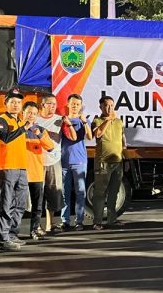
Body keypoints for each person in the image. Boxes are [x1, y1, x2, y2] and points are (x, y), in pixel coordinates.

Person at [0, 88, 29, 251]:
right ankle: (2, 238)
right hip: (7, 167)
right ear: (5, 103)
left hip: (21, 167)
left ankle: (12, 234)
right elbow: (5, 138)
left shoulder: (20, 121)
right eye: (12, 102)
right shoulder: (2, 119)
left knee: (20, 203)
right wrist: (23, 129)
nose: (16, 105)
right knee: (6, 203)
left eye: (19, 102)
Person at [91, 96, 126, 229]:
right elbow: (98, 134)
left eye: (111, 105)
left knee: (114, 192)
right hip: (103, 163)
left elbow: (122, 140)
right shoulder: (97, 120)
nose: (110, 108)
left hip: (118, 161)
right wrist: (108, 120)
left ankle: (112, 219)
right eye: (106, 105)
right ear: (101, 107)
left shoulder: (119, 122)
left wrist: (125, 156)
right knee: (100, 193)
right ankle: (97, 221)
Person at [23, 101, 55, 239]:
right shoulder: (17, 129)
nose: (31, 115)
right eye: (29, 112)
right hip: (21, 173)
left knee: (37, 204)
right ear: (23, 113)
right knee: (18, 206)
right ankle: (11, 233)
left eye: (34, 113)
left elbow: (50, 146)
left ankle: (34, 229)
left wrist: (40, 135)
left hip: (36, 173)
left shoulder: (40, 130)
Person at [61, 94, 93, 231]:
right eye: (73, 103)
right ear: (68, 104)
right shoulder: (62, 120)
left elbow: (90, 137)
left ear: (81, 106)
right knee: (65, 193)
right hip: (64, 161)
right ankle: (65, 221)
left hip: (79, 161)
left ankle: (79, 221)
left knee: (80, 192)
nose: (75, 106)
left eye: (77, 104)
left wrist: (84, 122)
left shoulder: (83, 121)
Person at [35, 94, 64, 233]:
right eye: (50, 103)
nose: (53, 106)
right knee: (37, 194)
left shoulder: (60, 120)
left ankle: (50, 224)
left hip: (54, 160)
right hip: (37, 161)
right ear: (43, 105)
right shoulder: (35, 119)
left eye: (54, 104)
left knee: (53, 193)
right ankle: (36, 225)